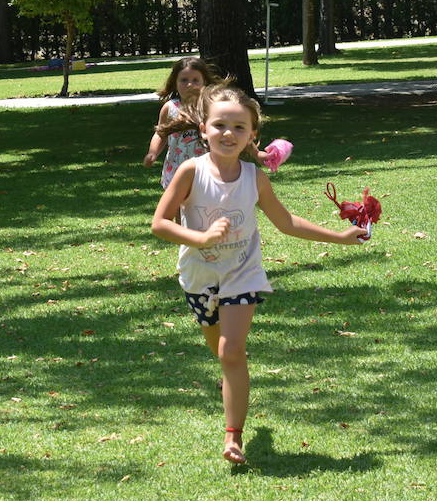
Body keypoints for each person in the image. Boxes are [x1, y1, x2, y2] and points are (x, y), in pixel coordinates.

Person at [150, 83, 367, 464]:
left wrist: (339, 237)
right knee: (221, 351)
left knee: (231, 350)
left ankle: (233, 437)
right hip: (198, 276)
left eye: (239, 127)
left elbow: (286, 222)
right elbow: (160, 224)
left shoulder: (254, 177)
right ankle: (231, 381)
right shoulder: (191, 171)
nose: (228, 133)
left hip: (242, 274)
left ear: (253, 135)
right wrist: (201, 238)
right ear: (204, 129)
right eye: (220, 125)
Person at [143, 57, 217, 188]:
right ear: (175, 83)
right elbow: (160, 134)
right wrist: (152, 153)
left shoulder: (211, 108)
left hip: (206, 168)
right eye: (184, 80)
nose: (189, 84)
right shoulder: (170, 108)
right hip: (176, 167)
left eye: (195, 80)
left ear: (204, 82)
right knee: (176, 200)